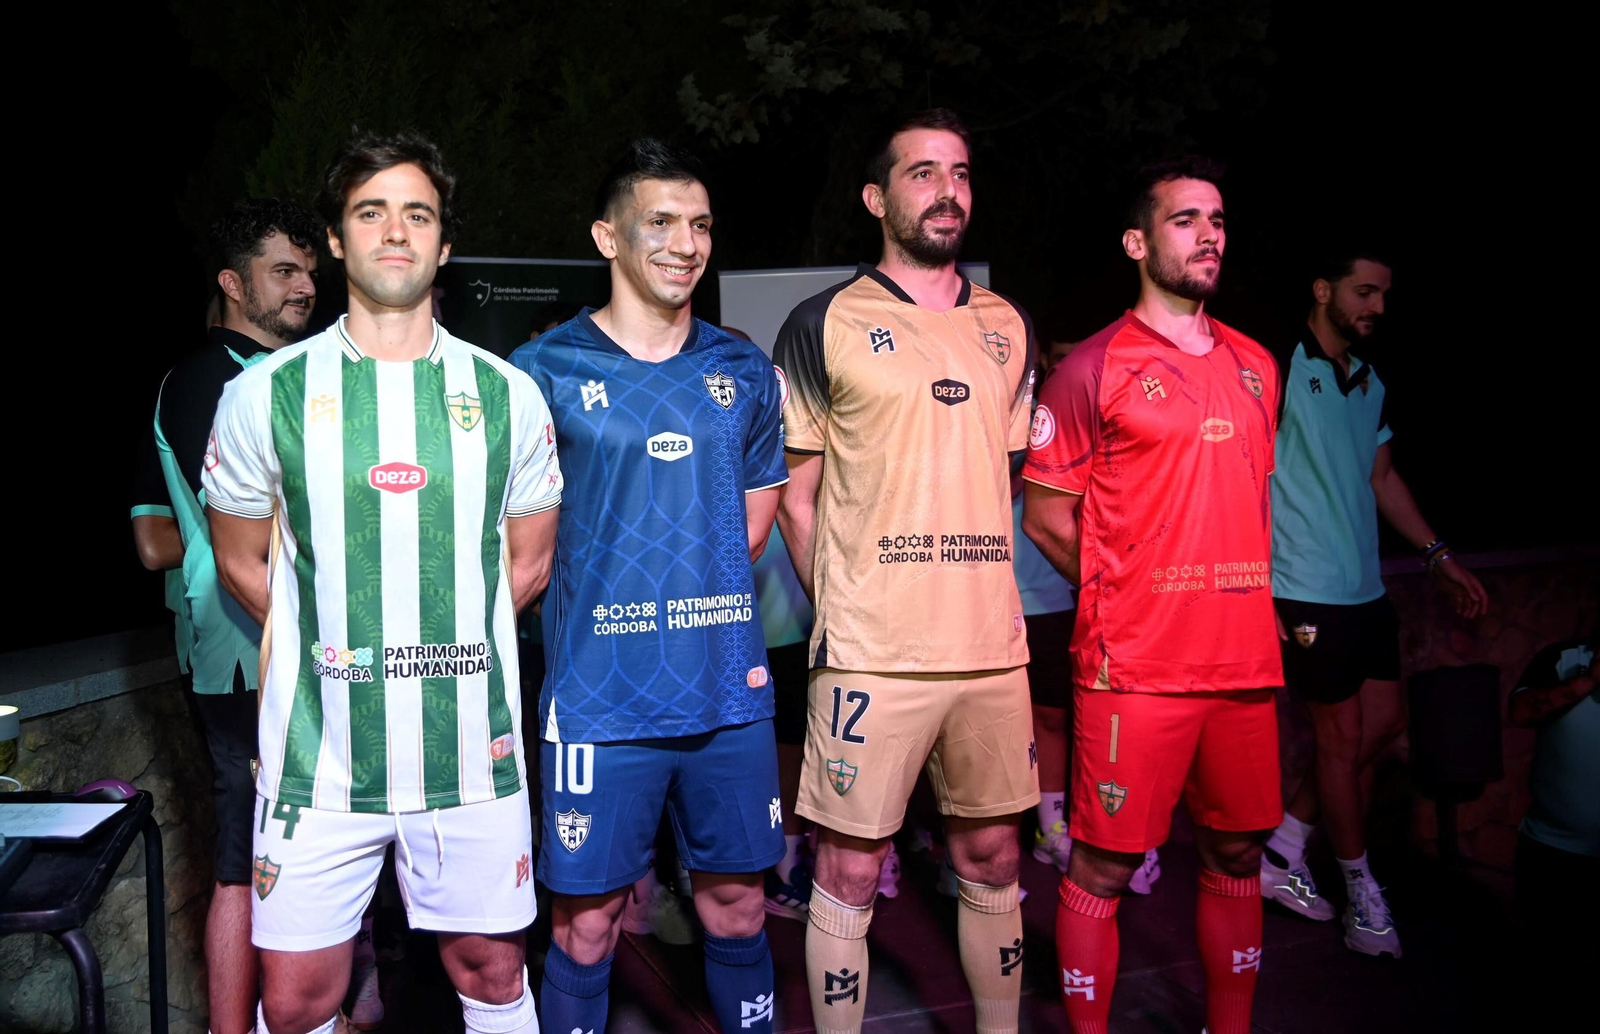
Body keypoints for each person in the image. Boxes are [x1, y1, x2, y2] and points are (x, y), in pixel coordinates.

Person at [204, 130, 559, 1034]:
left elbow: (528, 563)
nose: (394, 231)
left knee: (490, 970)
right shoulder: (264, 395)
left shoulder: (509, 394)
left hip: (470, 753)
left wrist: (438, 641)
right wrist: (333, 642)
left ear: (444, 244)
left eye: (418, 213)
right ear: (336, 238)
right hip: (318, 756)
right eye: (371, 212)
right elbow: (242, 563)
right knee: (294, 1002)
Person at [510, 139, 787, 1034]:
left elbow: (747, 530)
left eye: (700, 224)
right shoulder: (541, 371)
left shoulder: (744, 372)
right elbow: (519, 544)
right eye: (660, 222)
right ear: (608, 237)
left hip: (726, 695)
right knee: (585, 927)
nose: (685, 243)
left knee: (738, 913)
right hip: (599, 703)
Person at [775, 108, 1039, 1034]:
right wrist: (843, 613)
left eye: (961, 173)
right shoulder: (823, 323)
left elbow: (996, 485)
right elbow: (796, 500)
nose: (948, 191)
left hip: (988, 654)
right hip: (871, 656)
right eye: (923, 173)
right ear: (877, 197)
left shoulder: (1009, 326)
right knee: (848, 871)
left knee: (995, 858)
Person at [1024, 156, 1282, 1034]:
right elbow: (1048, 516)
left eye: (1217, 219)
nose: (1209, 234)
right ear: (1138, 242)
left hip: (1244, 661)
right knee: (1101, 866)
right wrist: (1121, 594)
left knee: (1238, 849)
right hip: (1136, 667)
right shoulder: (1091, 367)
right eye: (1185, 220)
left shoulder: (1256, 366)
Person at [1261, 249, 1489, 957]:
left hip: (1364, 588)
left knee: (1382, 724)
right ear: (1323, 288)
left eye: (1384, 295)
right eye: (1365, 292)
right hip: (1303, 589)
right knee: (1339, 738)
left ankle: (1284, 848)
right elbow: (1241, 473)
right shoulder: (1274, 371)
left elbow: (1381, 475)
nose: (1377, 308)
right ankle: (1363, 894)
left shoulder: (1368, 379)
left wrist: (1438, 555)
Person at [130, 198, 321, 1034]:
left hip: (238, 641)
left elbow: (152, 539)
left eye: (310, 271)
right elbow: (287, 511)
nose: (305, 286)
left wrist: (203, 557)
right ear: (232, 282)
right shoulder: (228, 380)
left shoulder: (187, 379)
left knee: (279, 853)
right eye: (284, 270)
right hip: (253, 645)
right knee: (251, 861)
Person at [1509, 629, 1597, 1021]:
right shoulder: (1565, 657)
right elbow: (1520, 713)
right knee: (1555, 984)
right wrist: (1588, 682)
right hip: (1553, 855)